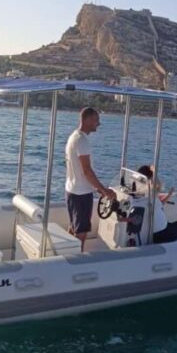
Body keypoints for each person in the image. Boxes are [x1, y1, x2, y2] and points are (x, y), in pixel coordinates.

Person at [65, 107, 117, 251]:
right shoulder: (82, 141)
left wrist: (95, 187)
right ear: (87, 120)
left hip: (73, 190)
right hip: (80, 194)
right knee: (80, 233)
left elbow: (79, 171)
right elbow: (87, 171)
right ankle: (74, 266)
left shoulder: (74, 137)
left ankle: (67, 257)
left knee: (74, 228)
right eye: (96, 120)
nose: (98, 124)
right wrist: (104, 190)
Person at [136, 165, 177, 244]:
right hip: (164, 233)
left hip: (156, 232)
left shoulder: (140, 193)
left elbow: (159, 204)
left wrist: (169, 195)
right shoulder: (150, 193)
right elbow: (158, 186)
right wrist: (154, 171)